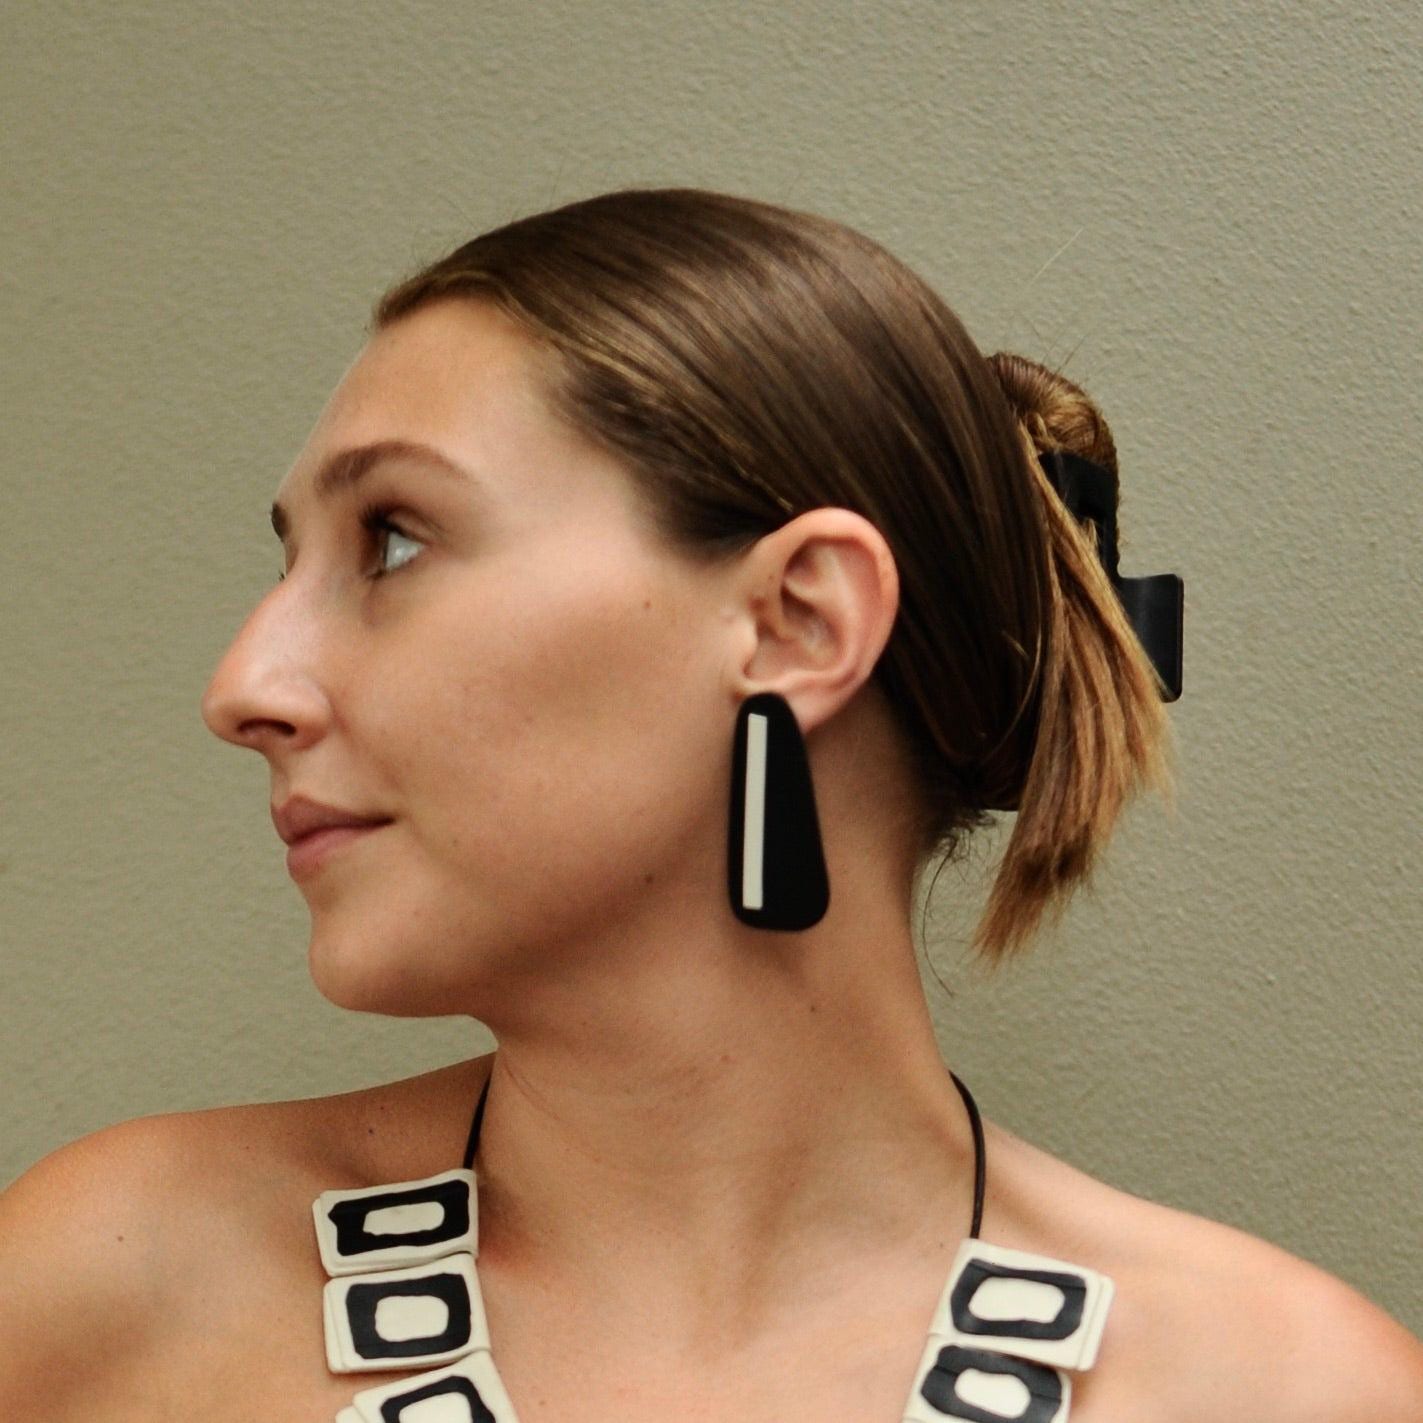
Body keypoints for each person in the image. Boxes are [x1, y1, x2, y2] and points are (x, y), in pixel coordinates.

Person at [2, 185, 1419, 1422]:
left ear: (801, 621)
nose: (245, 683)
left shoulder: (1285, 1392)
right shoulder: (108, 1291)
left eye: (394, 538)